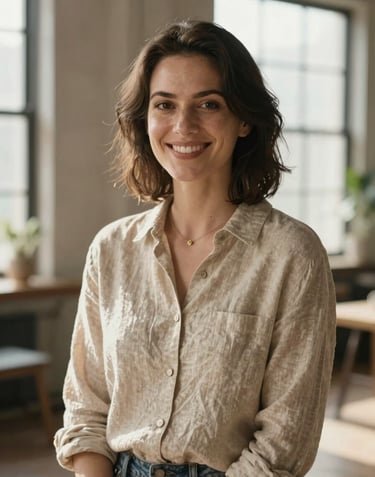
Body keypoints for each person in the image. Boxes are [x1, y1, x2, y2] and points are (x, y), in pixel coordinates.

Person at [54, 20, 336, 477]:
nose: (183, 126)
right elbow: (86, 408)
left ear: (244, 119)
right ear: (144, 120)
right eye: (164, 104)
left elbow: (287, 438)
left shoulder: (292, 254)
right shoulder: (111, 250)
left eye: (209, 104)